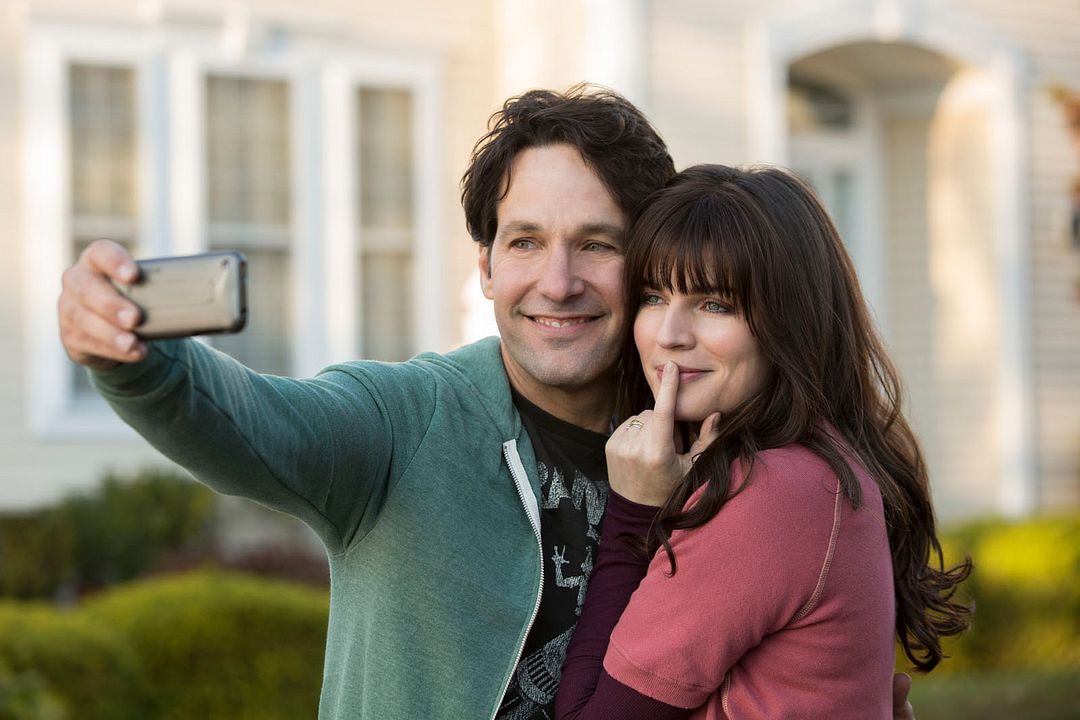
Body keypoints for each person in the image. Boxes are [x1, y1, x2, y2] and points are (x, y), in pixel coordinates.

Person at [57, 86, 918, 719]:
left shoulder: (719, 446)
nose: (557, 282)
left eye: (596, 245)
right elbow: (247, 423)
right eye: (525, 242)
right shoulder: (404, 421)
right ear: (485, 267)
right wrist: (138, 360)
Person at [555, 164, 972, 719]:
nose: (669, 336)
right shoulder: (824, 465)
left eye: (715, 304)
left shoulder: (767, 495)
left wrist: (632, 512)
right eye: (654, 297)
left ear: (788, 321)